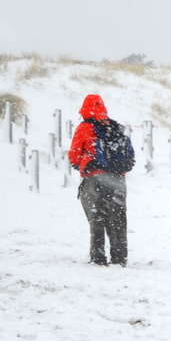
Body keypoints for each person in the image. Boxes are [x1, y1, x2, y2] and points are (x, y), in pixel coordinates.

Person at [67, 94, 134, 266]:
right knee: (118, 219)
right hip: (118, 179)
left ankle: (98, 257)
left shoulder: (84, 127)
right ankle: (119, 258)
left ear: (84, 109)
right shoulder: (113, 126)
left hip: (94, 178)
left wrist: (81, 163)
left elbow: (74, 155)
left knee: (96, 218)